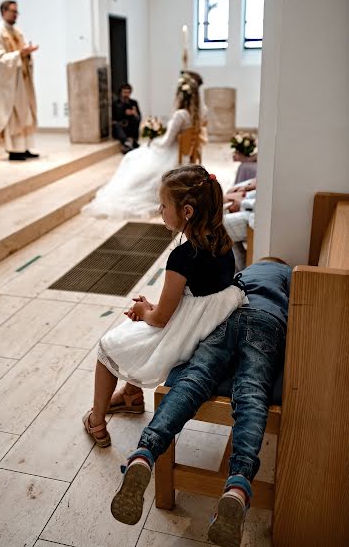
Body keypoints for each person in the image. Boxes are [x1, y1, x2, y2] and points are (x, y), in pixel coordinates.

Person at [110, 258, 291, 547]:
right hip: (267, 324)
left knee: (195, 379)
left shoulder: (247, 271)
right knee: (252, 392)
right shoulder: (286, 273)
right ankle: (237, 485)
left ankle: (144, 452)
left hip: (230, 317)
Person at [83, 165, 247, 447]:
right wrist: (152, 311)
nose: (160, 211)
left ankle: (96, 421)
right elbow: (196, 301)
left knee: (109, 345)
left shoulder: (183, 257)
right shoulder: (222, 242)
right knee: (137, 336)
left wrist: (143, 310)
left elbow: (160, 319)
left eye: (163, 205)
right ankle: (132, 397)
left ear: (187, 212)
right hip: (206, 329)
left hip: (183, 340)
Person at [83, 73, 204, 219]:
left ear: (180, 96)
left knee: (132, 157)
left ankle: (125, 191)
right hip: (176, 150)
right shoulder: (193, 114)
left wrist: (152, 141)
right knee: (136, 155)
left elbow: (166, 142)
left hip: (169, 152)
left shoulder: (180, 114)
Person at [0, 0, 39, 161]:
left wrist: (28, 53)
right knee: (14, 115)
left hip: (22, 81)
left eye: (17, 12)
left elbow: (22, 53)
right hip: (9, 84)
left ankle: (24, 147)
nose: (16, 15)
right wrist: (20, 54)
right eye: (13, 11)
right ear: (3, 11)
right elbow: (0, 60)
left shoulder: (17, 32)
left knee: (26, 113)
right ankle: (14, 150)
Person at [223, 178, 256, 271]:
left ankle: (240, 269)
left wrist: (242, 202)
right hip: (253, 200)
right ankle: (238, 266)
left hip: (255, 215)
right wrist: (246, 191)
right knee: (228, 195)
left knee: (217, 226)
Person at [112, 83, 141, 154]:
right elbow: (114, 117)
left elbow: (139, 117)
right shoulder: (115, 103)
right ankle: (128, 142)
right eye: (124, 92)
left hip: (130, 127)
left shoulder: (134, 102)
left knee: (136, 119)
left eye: (128, 92)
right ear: (121, 92)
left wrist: (134, 113)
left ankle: (128, 142)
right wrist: (124, 112)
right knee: (116, 125)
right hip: (120, 126)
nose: (126, 94)